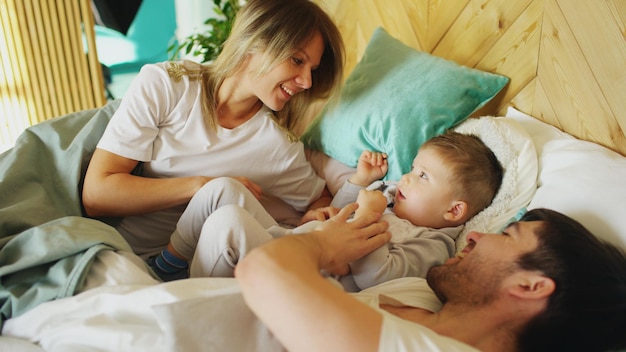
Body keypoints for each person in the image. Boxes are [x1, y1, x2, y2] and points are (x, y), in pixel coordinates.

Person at [81, 0, 345, 277]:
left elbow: (320, 198)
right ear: (255, 41)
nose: (307, 82)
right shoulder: (167, 86)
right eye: (298, 60)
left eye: (312, 70)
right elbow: (96, 195)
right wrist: (199, 186)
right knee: (224, 191)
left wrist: (315, 215)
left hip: (208, 265)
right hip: (129, 259)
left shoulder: (276, 144)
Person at [236, 205, 626, 352]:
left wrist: (325, 246)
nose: (474, 234)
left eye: (507, 235)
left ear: (529, 286)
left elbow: (262, 272)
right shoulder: (422, 294)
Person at [189, 132, 503, 292]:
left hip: (298, 273)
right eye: (412, 168)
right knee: (224, 190)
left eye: (423, 176)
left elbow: (376, 277)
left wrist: (368, 216)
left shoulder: (432, 244)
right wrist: (359, 182)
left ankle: (188, 295)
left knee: (227, 223)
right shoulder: (393, 195)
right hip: (289, 239)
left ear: (454, 211)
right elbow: (339, 209)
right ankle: (170, 263)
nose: (407, 177)